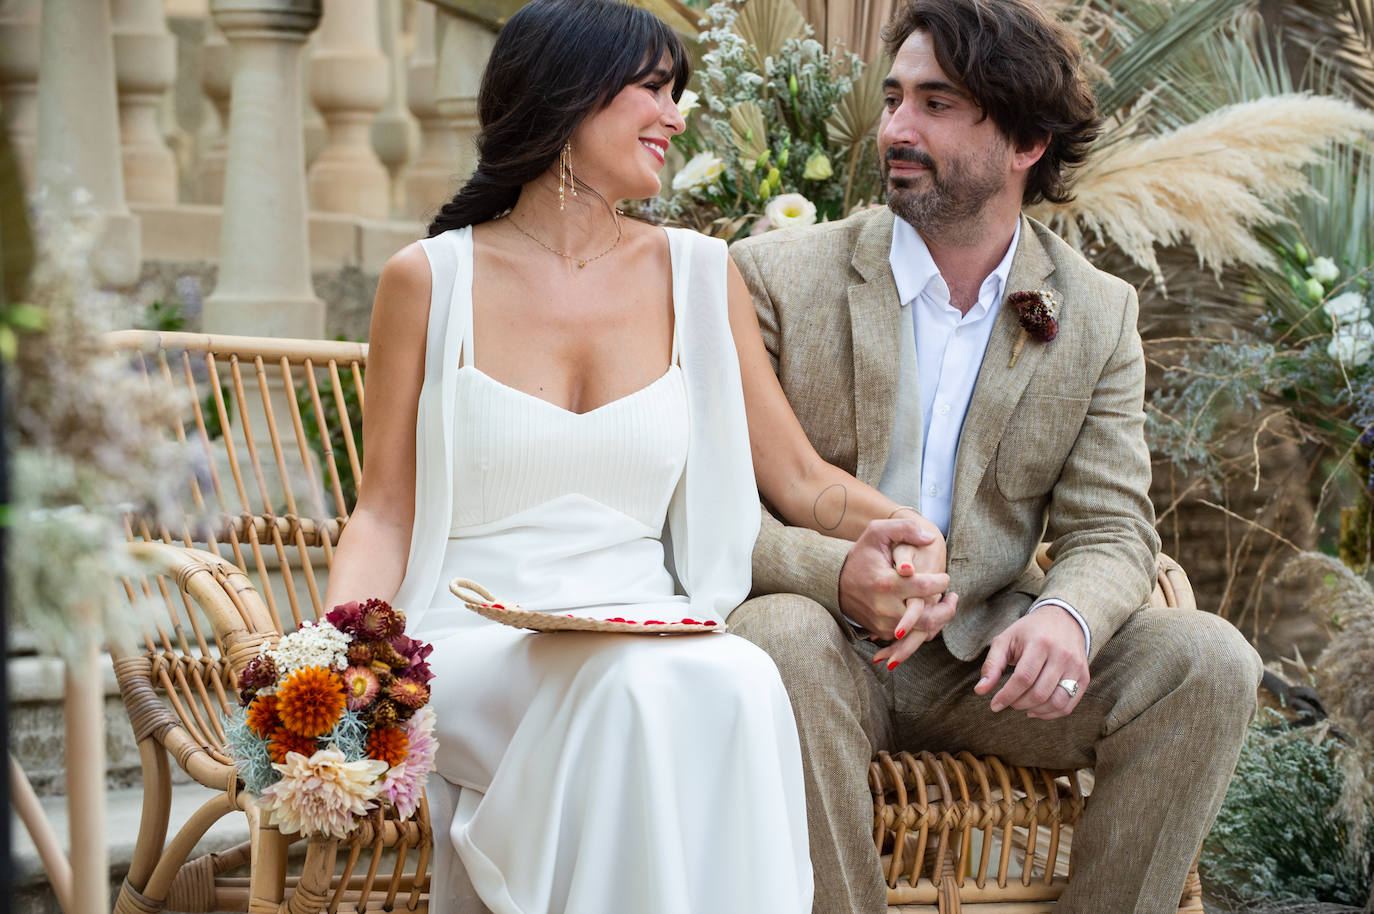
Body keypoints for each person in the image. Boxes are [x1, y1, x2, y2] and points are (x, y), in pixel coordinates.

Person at [322, 2, 952, 912]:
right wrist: (340, 664)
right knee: (626, 693)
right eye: (655, 90)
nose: (676, 114)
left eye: (678, 93)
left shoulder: (701, 275)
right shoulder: (430, 280)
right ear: (567, 99)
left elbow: (801, 481)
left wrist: (911, 530)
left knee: (739, 676)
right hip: (472, 639)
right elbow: (385, 509)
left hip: (646, 628)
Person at [727, 1, 1264, 912]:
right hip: (816, 641)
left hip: (985, 664)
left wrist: (1067, 617)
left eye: (936, 104)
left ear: (1025, 141)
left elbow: (1111, 527)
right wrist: (832, 571)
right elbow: (714, 507)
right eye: (895, 98)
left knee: (1210, 662)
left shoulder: (1095, 312)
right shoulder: (775, 278)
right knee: (776, 640)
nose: (896, 127)